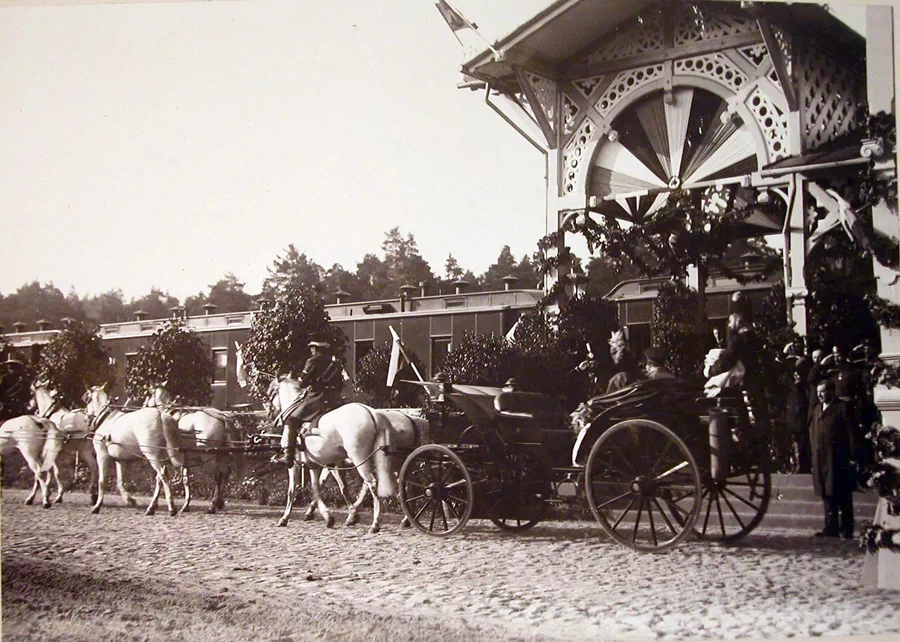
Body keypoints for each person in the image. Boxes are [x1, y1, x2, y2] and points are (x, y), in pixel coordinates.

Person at [270, 334, 345, 468]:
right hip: (334, 400)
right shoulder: (336, 363)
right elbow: (340, 385)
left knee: (291, 420)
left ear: (316, 349)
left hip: (317, 399)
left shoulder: (312, 361)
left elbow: (302, 384)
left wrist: (304, 380)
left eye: (312, 348)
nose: (311, 350)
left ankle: (288, 456)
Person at [808, 378, 857, 539]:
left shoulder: (842, 408)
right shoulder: (817, 409)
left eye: (823, 392)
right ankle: (831, 527)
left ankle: (846, 528)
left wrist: (853, 455)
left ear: (831, 391)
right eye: (818, 393)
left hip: (838, 457)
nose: (820, 395)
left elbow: (852, 434)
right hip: (821, 457)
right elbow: (813, 431)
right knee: (826, 493)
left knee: (842, 493)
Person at [708, 310, 768, 433]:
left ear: (739, 321)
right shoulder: (756, 339)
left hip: (742, 388)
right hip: (757, 388)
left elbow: (726, 361)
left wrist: (710, 370)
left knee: (742, 425)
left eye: (730, 321)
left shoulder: (738, 341)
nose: (729, 325)